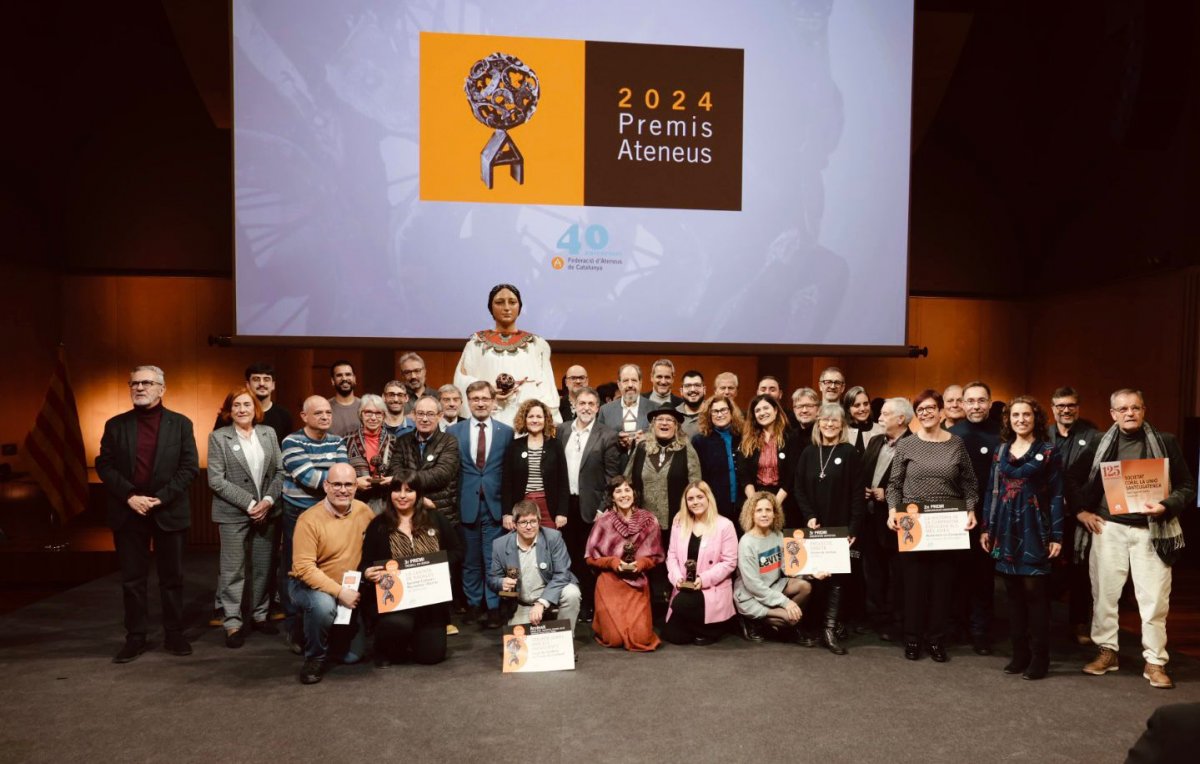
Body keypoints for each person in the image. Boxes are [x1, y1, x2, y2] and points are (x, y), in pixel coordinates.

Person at [1076, 389, 1195, 689]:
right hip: (1109, 529)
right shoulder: (1098, 443)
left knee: (1154, 599)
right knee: (1104, 594)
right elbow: (1072, 479)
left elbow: (1186, 486)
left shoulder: (1164, 441)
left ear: (1144, 410)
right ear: (1112, 413)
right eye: (1123, 409)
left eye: (1135, 408)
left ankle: (1155, 661)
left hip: (1152, 530)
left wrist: (1166, 505)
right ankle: (1107, 652)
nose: (1129, 413)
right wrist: (1081, 512)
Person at [96, 365, 199, 663]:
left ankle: (174, 632)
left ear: (162, 389)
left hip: (168, 510)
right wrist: (130, 495)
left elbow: (189, 467)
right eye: (135, 383)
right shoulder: (115, 424)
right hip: (128, 511)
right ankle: (136, 636)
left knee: (172, 577)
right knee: (132, 579)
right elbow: (104, 465)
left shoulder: (181, 424)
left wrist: (159, 498)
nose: (139, 388)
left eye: (147, 383)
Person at [886, 389, 979, 663]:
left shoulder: (956, 444)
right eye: (920, 409)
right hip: (913, 524)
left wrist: (971, 509)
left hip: (947, 525)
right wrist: (892, 510)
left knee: (942, 586)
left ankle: (937, 640)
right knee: (913, 585)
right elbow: (894, 484)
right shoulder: (907, 445)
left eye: (930, 408)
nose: (925, 413)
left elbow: (970, 483)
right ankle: (913, 639)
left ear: (941, 412)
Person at [980, 396, 1063, 680]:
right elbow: (991, 491)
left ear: (1035, 418)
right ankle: (1019, 655)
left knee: (1035, 594)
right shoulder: (1001, 450)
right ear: (1008, 419)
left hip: (1035, 528)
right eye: (1015, 415)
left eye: (1026, 415)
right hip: (1004, 528)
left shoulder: (1049, 451)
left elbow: (1056, 496)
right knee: (1012, 594)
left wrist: (1057, 535)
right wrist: (986, 528)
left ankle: (1040, 657)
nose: (1021, 420)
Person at [207, 387, 284, 648]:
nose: (242, 409)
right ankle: (232, 622)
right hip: (234, 514)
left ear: (256, 409)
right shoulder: (219, 438)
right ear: (229, 410)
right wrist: (251, 503)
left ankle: (260, 615)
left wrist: (268, 501)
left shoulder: (268, 433)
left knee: (263, 567)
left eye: (247, 405)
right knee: (233, 570)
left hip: (267, 511)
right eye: (237, 405)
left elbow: (280, 472)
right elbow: (215, 480)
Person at [361, 472, 461, 666]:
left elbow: (457, 550)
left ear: (418, 494)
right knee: (399, 627)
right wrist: (367, 573)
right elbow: (365, 563)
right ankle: (385, 648)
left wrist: (437, 564)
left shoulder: (435, 519)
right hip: (395, 605)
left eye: (409, 490)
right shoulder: (378, 525)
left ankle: (415, 640)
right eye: (397, 490)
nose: (402, 495)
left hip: (430, 603)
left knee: (431, 657)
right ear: (390, 494)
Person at [288, 463, 374, 684]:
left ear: (356, 487)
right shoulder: (309, 519)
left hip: (349, 588)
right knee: (323, 607)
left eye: (348, 485)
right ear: (326, 486)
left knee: (352, 657)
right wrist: (339, 592)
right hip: (309, 585)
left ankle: (313, 631)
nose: (343, 490)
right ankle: (314, 657)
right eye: (336, 484)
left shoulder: (364, 511)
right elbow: (305, 568)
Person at [794, 403, 865, 654]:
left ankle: (829, 628)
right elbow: (799, 489)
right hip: (814, 526)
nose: (829, 424)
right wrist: (809, 515)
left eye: (835, 421)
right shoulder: (808, 453)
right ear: (818, 423)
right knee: (815, 576)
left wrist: (853, 528)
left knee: (837, 578)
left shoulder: (849, 453)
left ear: (842, 425)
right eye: (825, 420)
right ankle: (811, 625)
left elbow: (858, 494)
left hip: (841, 527)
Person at [279, 396, 349, 652]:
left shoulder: (337, 441)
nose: (325, 417)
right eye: (318, 412)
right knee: (296, 570)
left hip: (330, 514)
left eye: (328, 412)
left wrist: (336, 483)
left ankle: (325, 624)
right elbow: (307, 477)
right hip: (298, 513)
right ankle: (294, 627)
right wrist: (337, 485)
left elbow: (343, 471)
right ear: (304, 416)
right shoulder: (291, 441)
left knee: (327, 567)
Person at [388, 395, 462, 622]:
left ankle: (441, 620)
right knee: (411, 562)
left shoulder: (449, 442)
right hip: (406, 514)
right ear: (413, 416)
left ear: (439, 416)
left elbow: (441, 474)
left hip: (440, 512)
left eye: (431, 414)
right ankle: (410, 612)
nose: (425, 418)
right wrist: (419, 498)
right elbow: (395, 472)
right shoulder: (402, 441)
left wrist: (410, 488)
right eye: (420, 413)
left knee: (438, 566)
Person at [447, 380, 514, 629]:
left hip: (496, 506)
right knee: (470, 560)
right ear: (468, 401)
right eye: (475, 399)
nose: (481, 403)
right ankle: (474, 604)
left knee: (493, 560)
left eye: (485, 398)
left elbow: (509, 473)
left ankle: (494, 606)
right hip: (466, 505)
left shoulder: (506, 432)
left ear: (493, 401)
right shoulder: (455, 432)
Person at [453, 283, 560, 426]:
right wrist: (488, 391)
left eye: (512, 302)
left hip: (525, 419)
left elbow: (546, 386)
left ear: (520, 307)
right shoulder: (475, 344)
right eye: (499, 302)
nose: (506, 307)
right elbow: (461, 380)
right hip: (489, 415)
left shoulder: (537, 344)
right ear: (490, 307)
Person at [560, 386, 622, 622]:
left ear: (598, 408)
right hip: (566, 506)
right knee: (569, 555)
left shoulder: (607, 435)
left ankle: (589, 603)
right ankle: (570, 603)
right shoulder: (562, 430)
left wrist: (603, 508)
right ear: (574, 406)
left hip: (592, 508)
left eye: (591, 404)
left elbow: (611, 477)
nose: (586, 408)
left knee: (589, 559)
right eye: (581, 403)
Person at [949, 380, 1002, 655]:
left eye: (981, 400)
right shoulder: (952, 434)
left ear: (990, 403)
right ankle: (957, 627)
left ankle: (981, 631)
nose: (976, 406)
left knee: (984, 576)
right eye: (970, 401)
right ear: (962, 403)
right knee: (956, 574)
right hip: (955, 517)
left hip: (990, 517)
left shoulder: (1001, 434)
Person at [1047, 385, 1102, 646]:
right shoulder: (1043, 435)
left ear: (1078, 407)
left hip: (1080, 514)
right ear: (1053, 409)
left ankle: (1079, 623)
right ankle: (1044, 621)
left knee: (1081, 573)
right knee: (1048, 569)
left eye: (1070, 405)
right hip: (1048, 515)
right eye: (1060, 406)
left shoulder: (1094, 437)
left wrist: (1080, 507)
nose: (1065, 410)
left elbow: (1097, 478)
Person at [585, 476, 665, 651]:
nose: (623, 495)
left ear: (634, 494)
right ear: (612, 497)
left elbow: (657, 556)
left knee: (641, 639)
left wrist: (642, 563)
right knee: (613, 639)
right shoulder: (603, 521)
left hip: (637, 583)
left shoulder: (649, 520)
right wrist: (612, 562)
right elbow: (590, 557)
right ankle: (602, 625)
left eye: (627, 490)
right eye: (618, 491)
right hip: (610, 582)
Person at [734, 491, 822, 643]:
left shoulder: (778, 535)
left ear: (775, 514)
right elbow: (753, 586)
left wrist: (812, 574)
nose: (764, 514)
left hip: (772, 587)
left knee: (805, 587)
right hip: (750, 596)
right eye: (759, 510)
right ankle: (752, 621)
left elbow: (788, 569)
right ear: (751, 514)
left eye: (768, 510)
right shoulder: (746, 543)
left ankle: (778, 622)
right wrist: (785, 602)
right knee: (792, 619)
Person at [859, 397, 913, 641]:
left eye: (884, 414)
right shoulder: (875, 440)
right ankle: (876, 618)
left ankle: (898, 621)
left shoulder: (915, 445)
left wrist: (889, 495)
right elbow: (863, 472)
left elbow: (917, 484)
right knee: (873, 571)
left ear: (900, 419)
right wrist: (865, 489)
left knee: (898, 575)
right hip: (870, 518)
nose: (878, 418)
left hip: (897, 521)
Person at [488, 500, 583, 636]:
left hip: (550, 596)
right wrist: (501, 582)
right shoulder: (500, 545)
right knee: (520, 650)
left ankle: (566, 639)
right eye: (523, 522)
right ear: (514, 525)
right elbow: (492, 579)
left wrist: (541, 603)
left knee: (572, 593)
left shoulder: (553, 538)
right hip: (522, 603)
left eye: (533, 521)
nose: (529, 527)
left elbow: (562, 574)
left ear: (539, 521)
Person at [663, 481, 738, 645]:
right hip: (684, 587)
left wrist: (703, 579)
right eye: (690, 499)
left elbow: (729, 562)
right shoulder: (679, 524)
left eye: (699, 497)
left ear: (708, 498)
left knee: (681, 603)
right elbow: (672, 556)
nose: (695, 502)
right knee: (674, 636)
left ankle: (712, 628)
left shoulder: (725, 525)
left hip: (711, 587)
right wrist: (676, 579)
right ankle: (701, 628)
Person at [503, 398, 569, 529]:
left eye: (539, 416)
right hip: (522, 506)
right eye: (531, 416)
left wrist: (562, 512)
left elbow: (563, 482)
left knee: (548, 545)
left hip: (549, 507)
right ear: (524, 419)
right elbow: (507, 483)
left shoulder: (555, 445)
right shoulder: (515, 446)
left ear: (546, 420)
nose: (535, 420)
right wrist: (507, 513)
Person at [738, 394, 798, 525]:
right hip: (755, 498)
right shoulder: (747, 439)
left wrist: (774, 505)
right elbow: (744, 474)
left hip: (784, 499)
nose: (762, 413)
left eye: (766, 408)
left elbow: (792, 474)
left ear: (775, 410)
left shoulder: (791, 437)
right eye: (757, 410)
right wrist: (755, 504)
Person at [691, 395, 745, 527]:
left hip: (743, 504)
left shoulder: (744, 436)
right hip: (714, 506)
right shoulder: (700, 441)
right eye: (715, 411)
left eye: (724, 410)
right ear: (709, 415)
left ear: (731, 412)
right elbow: (698, 477)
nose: (719, 414)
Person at [210, 362, 293, 446]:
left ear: (273, 385)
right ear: (248, 384)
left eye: (266, 379)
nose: (261, 383)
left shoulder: (284, 415)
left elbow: (286, 450)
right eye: (256, 379)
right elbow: (217, 446)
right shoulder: (229, 415)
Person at [345, 394, 396, 515]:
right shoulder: (347, 440)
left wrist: (393, 480)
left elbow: (401, 471)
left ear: (384, 416)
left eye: (378, 413)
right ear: (360, 414)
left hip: (387, 503)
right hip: (356, 502)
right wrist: (355, 483)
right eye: (368, 412)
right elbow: (341, 471)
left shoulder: (394, 441)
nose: (373, 417)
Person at [598, 363, 653, 460]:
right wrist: (616, 438)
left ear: (640, 383)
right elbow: (598, 441)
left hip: (646, 467)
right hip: (615, 469)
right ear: (619, 384)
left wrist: (647, 438)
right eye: (626, 381)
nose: (630, 385)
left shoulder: (654, 408)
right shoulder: (605, 410)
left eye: (634, 380)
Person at [843, 385, 882, 454]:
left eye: (866, 404)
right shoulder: (841, 430)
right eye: (857, 405)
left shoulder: (881, 430)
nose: (863, 409)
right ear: (848, 409)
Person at [327, 360, 361, 437]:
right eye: (339, 375)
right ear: (333, 381)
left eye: (348, 374)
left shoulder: (365, 406)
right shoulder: (324, 407)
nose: (344, 378)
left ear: (354, 379)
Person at [676, 370, 706, 437]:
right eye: (688, 386)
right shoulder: (674, 415)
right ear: (681, 391)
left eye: (697, 385)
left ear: (704, 390)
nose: (692, 389)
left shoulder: (713, 413)